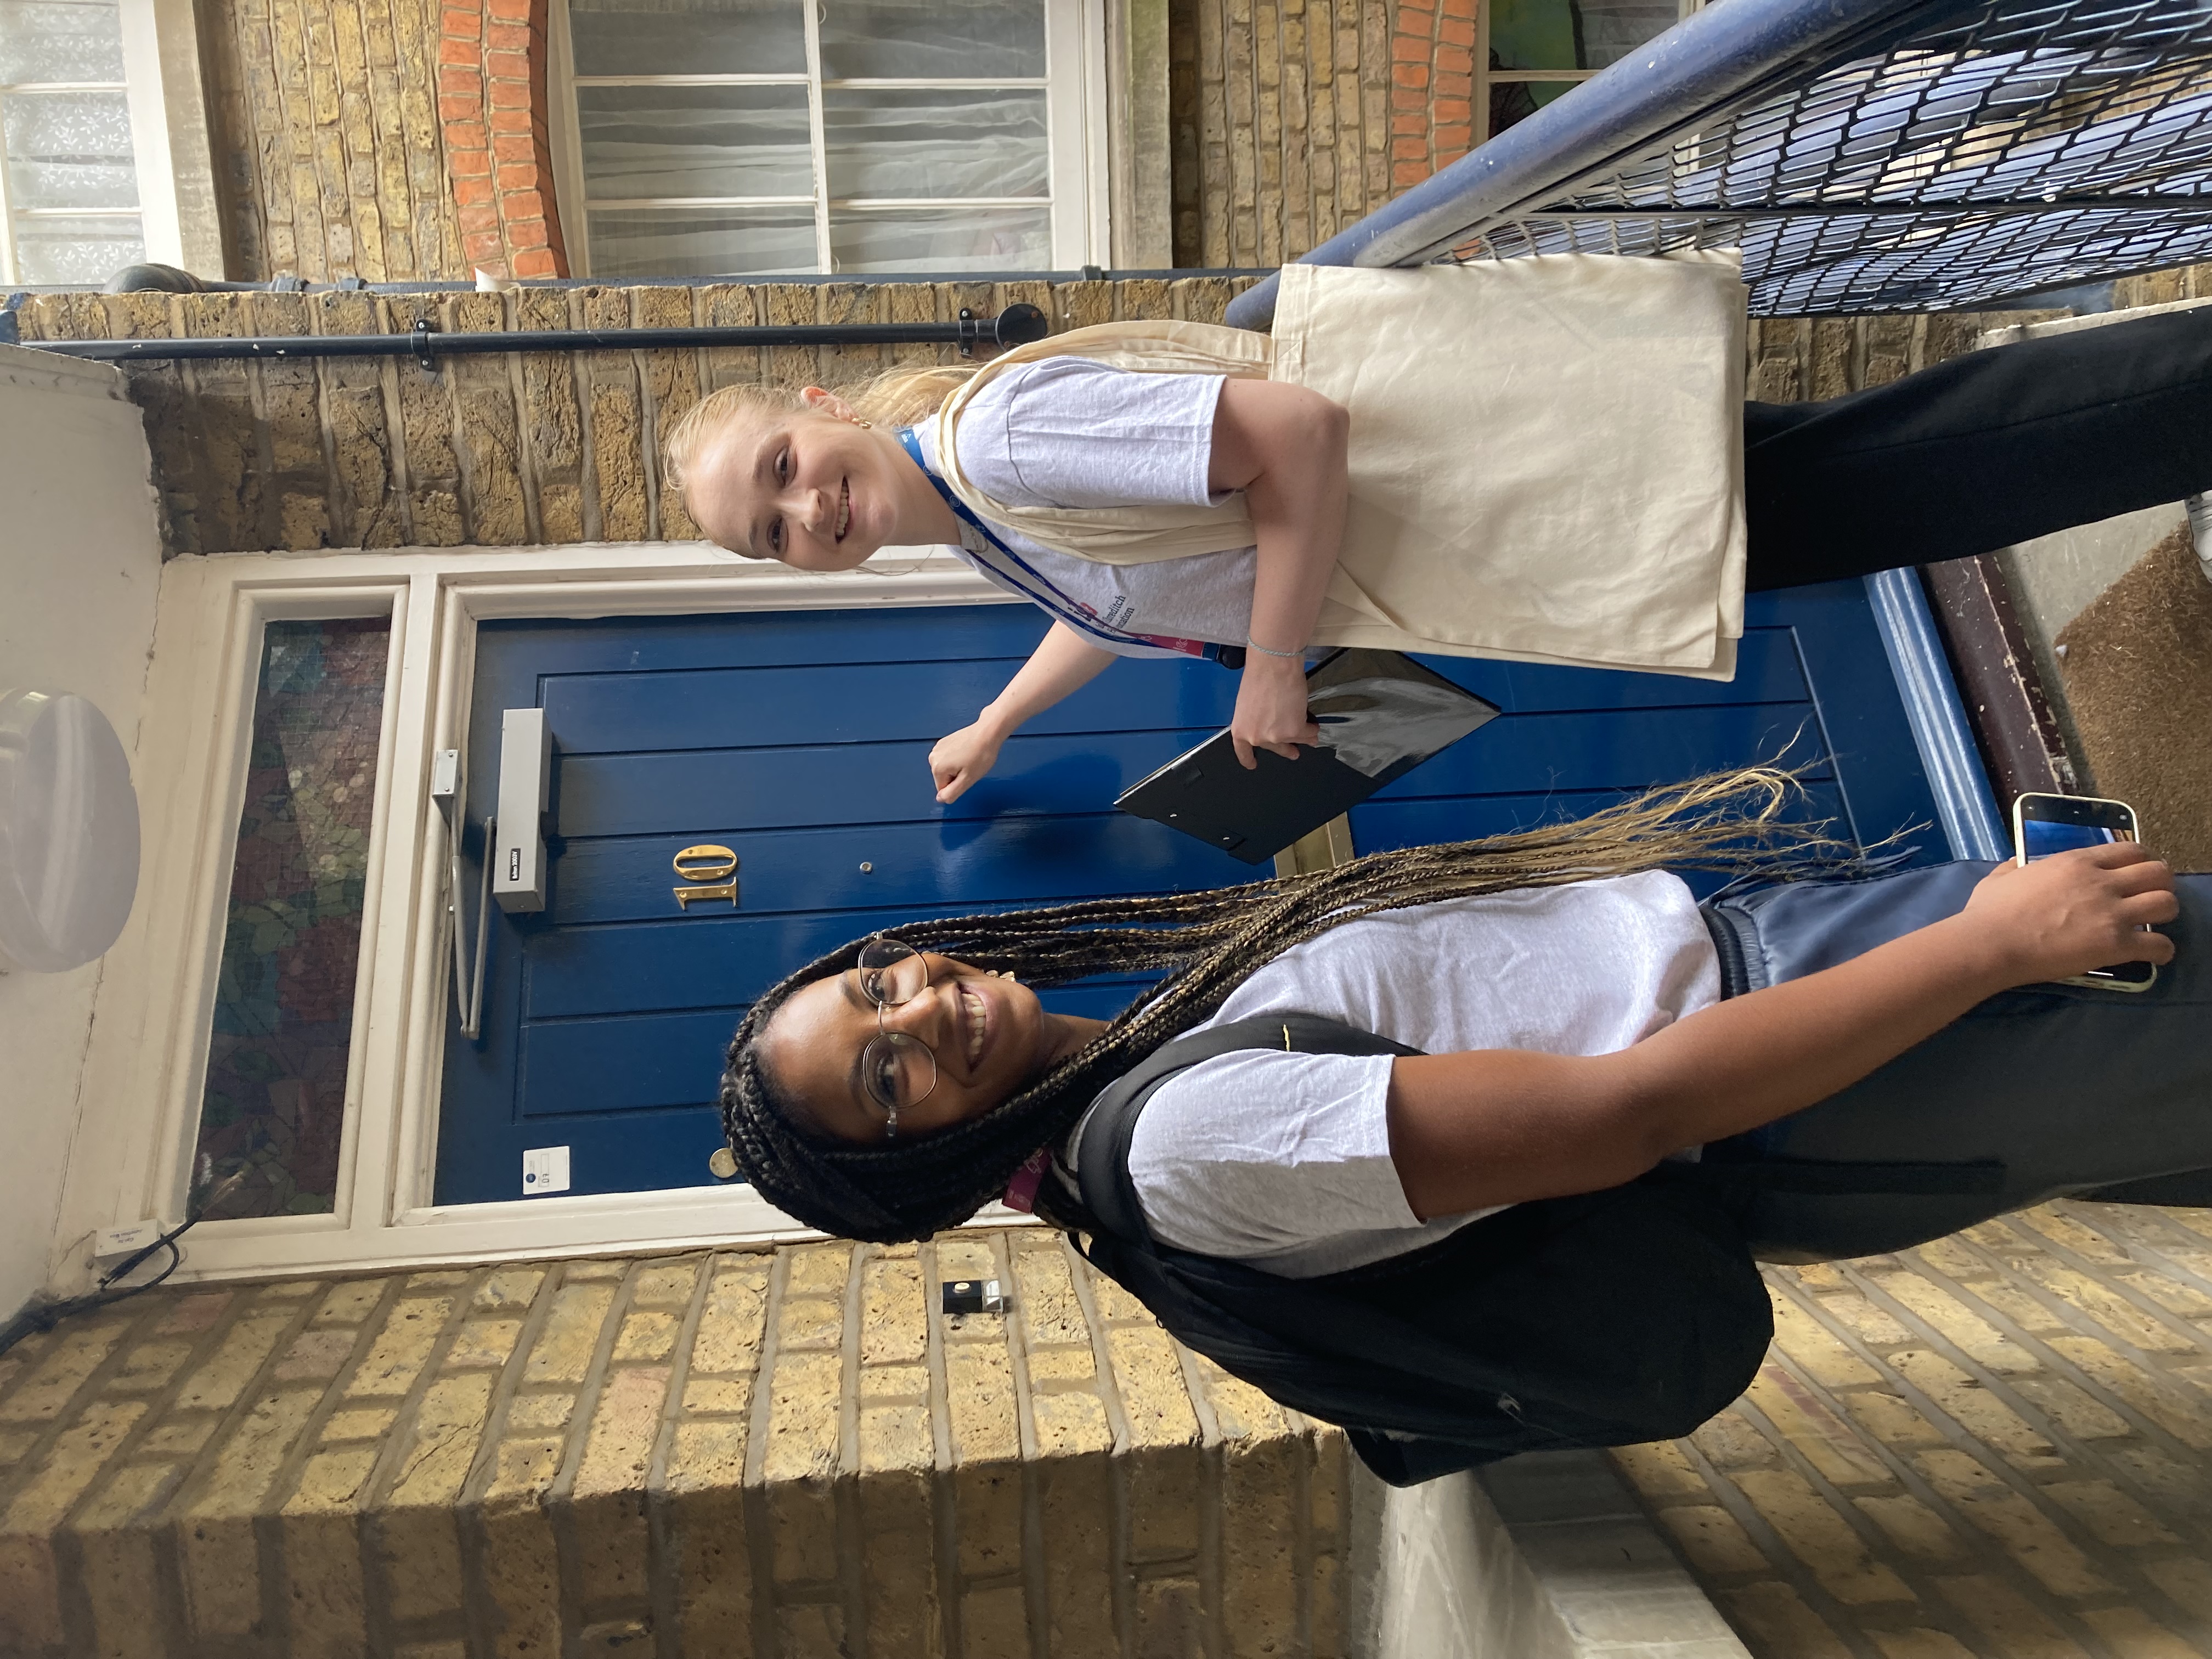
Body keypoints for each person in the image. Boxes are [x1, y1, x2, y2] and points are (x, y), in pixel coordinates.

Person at [662, 291, 2212, 802]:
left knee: (1926, 469)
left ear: (817, 409)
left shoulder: (997, 442)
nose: (805, 510)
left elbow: (1300, 437)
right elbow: (1114, 600)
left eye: (785, 469)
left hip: (1504, 500)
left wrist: (1273, 669)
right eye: (772, 530)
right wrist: (1001, 720)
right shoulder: (986, 523)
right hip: (1512, 525)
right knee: (1907, 469)